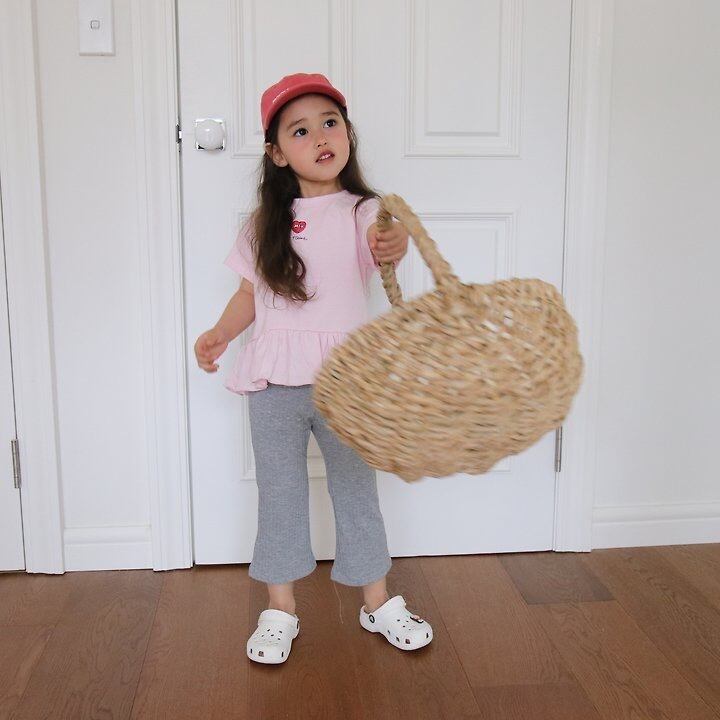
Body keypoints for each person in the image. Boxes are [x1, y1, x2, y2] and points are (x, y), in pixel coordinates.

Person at [194, 73, 433, 664]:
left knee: (356, 489)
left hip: (346, 385)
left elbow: (387, 237)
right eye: (300, 130)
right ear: (277, 153)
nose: (321, 136)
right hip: (275, 384)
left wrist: (395, 241)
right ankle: (280, 609)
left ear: (347, 133)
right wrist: (220, 334)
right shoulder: (263, 224)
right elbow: (248, 295)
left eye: (330, 122)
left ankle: (376, 600)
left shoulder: (363, 211)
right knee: (280, 494)